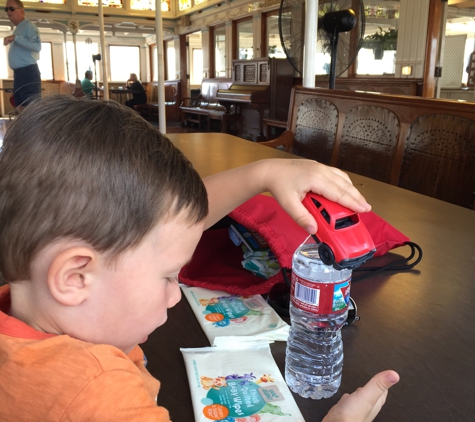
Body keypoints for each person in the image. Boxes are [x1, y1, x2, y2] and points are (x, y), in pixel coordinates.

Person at [0, 95, 399, 421]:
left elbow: (166, 228)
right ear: (74, 278)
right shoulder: (96, 391)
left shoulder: (20, 302)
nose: (176, 295)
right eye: (169, 277)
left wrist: (264, 173)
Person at [3, 0, 41, 111]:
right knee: (20, 105)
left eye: (11, 8)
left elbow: (37, 46)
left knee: (30, 107)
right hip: (20, 73)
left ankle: (33, 128)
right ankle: (24, 128)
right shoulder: (19, 28)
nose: (8, 12)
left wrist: (16, 38)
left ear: (21, 11)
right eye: (6, 9)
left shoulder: (28, 26)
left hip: (27, 72)